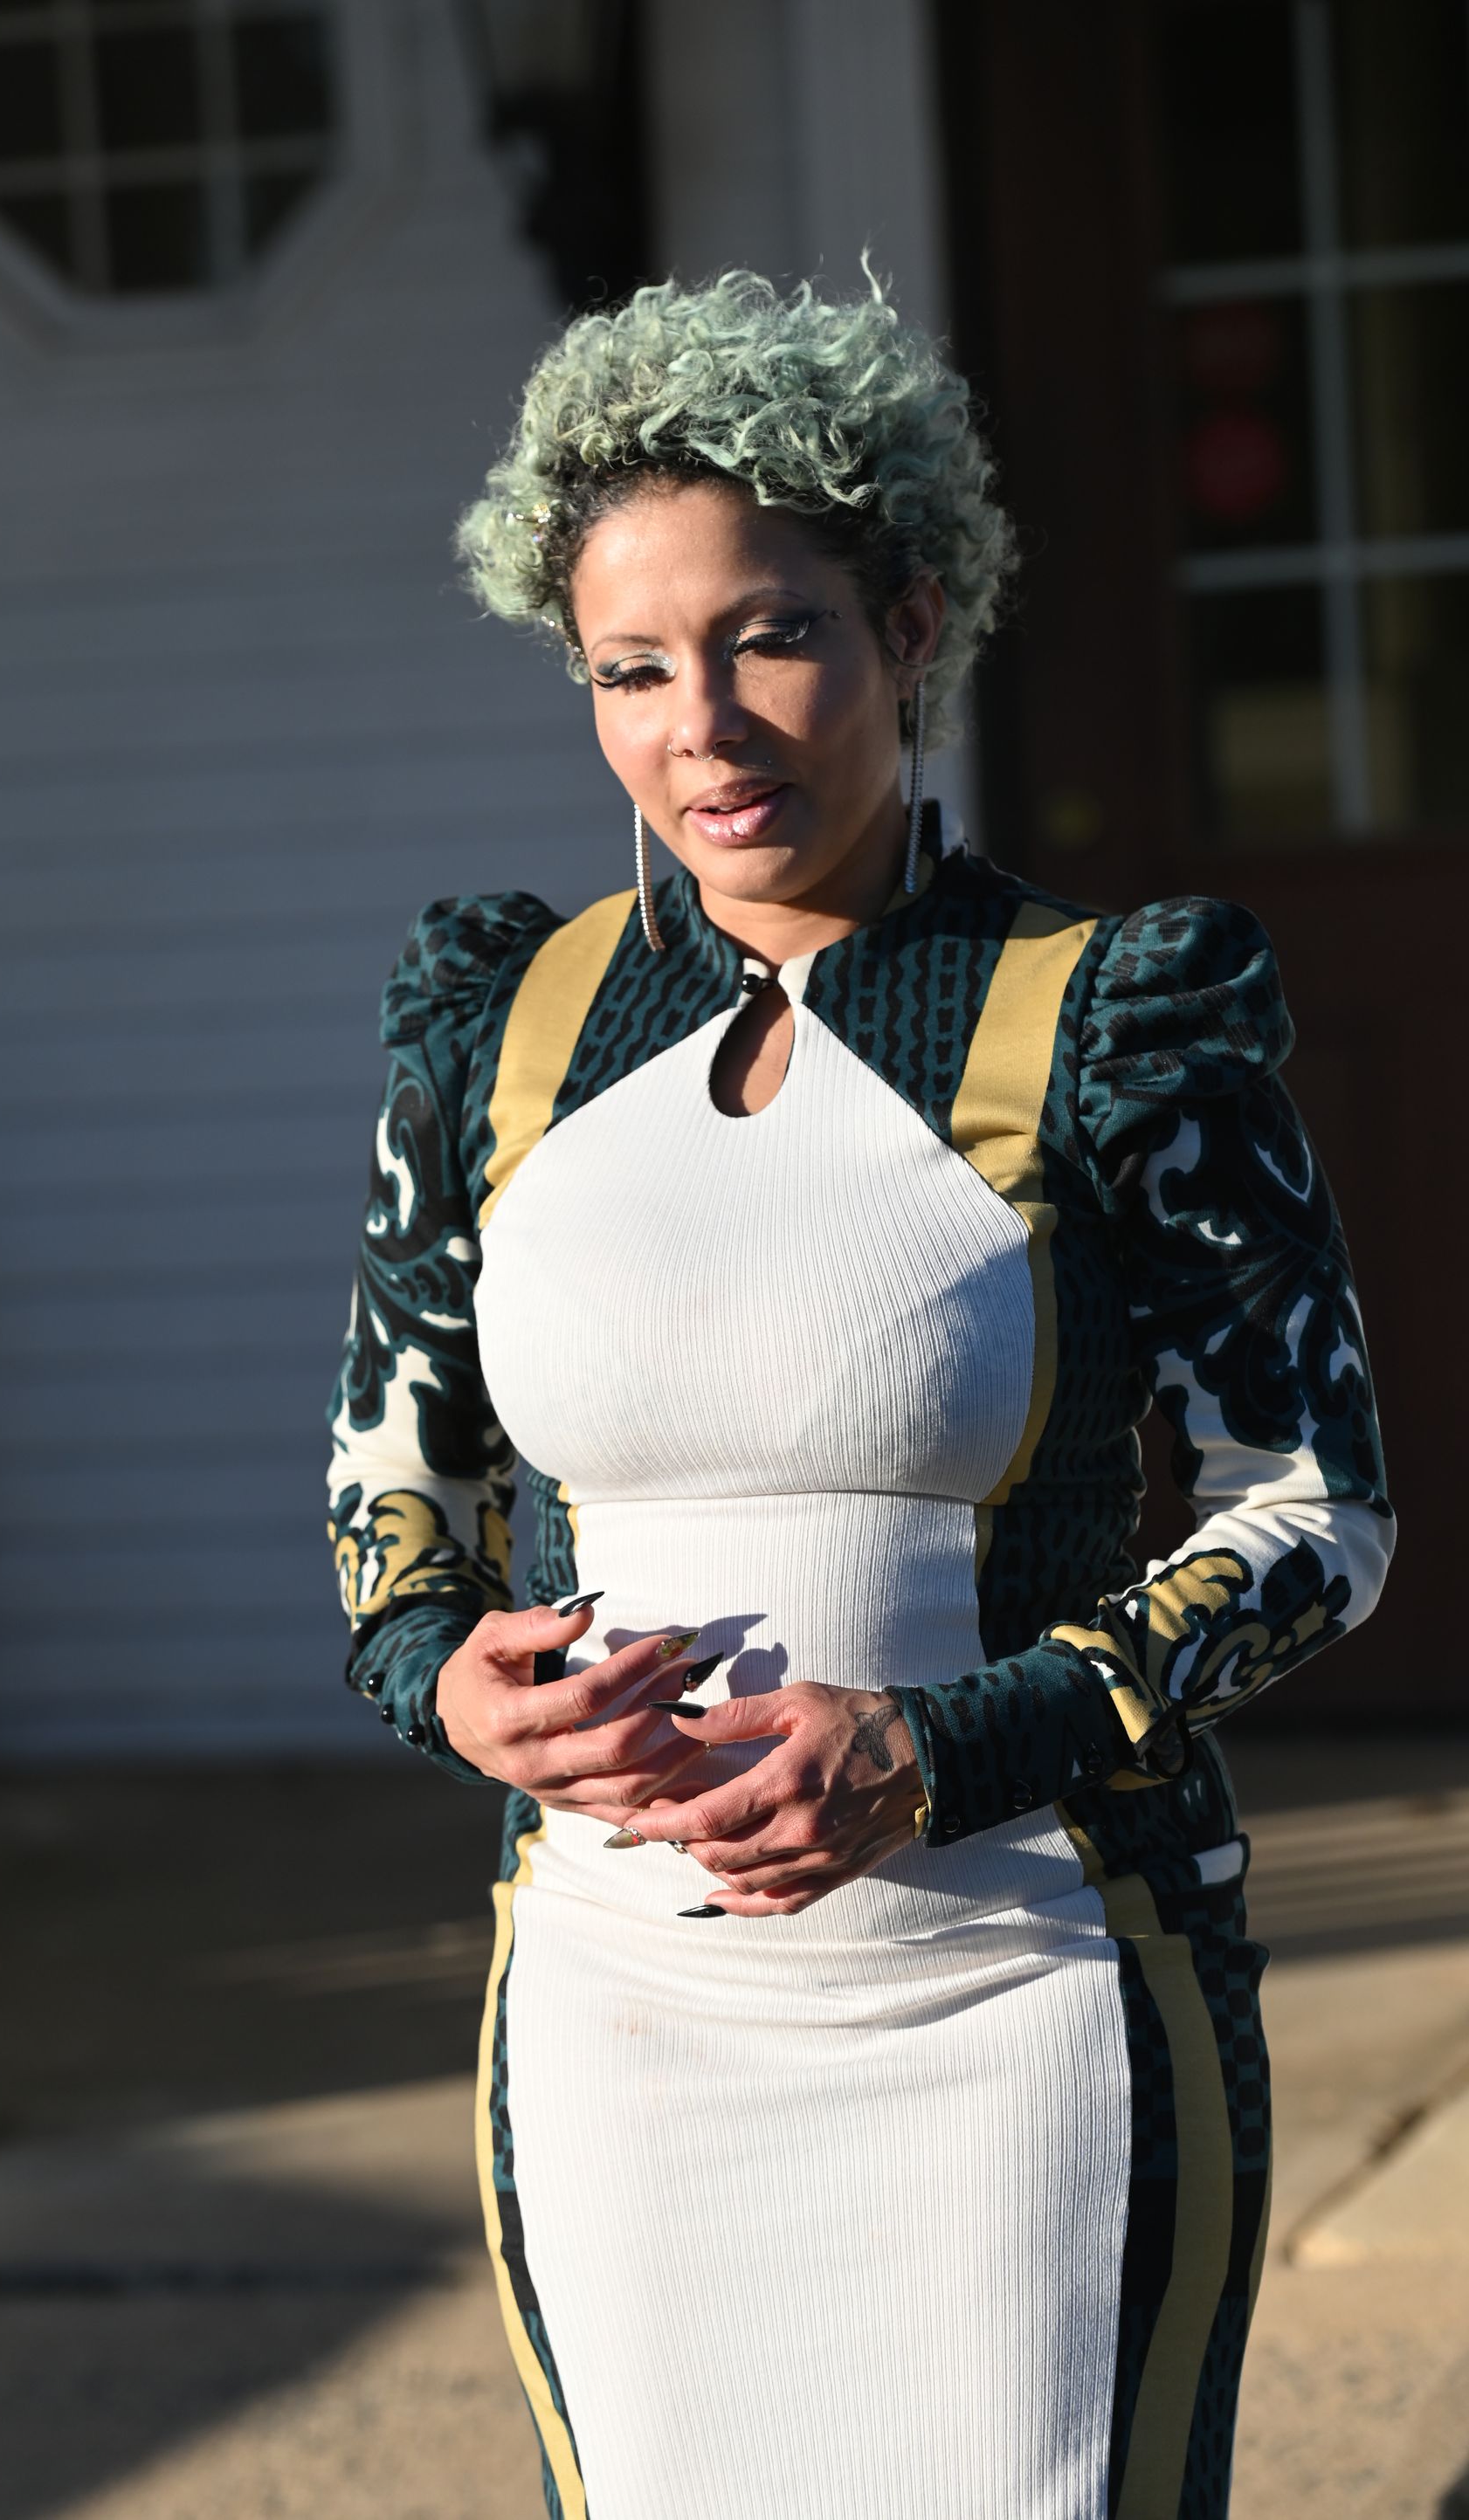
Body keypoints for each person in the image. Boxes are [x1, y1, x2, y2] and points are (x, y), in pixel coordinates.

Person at [325, 269, 1393, 2520]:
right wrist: (455, 1691)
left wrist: (946, 1745)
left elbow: (1316, 1509)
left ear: (912, 622)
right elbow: (392, 1496)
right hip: (619, 2023)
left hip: (1028, 2002)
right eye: (631, 669)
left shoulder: (1106, 1016)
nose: (704, 725)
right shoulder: (501, 1030)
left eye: (772, 636)